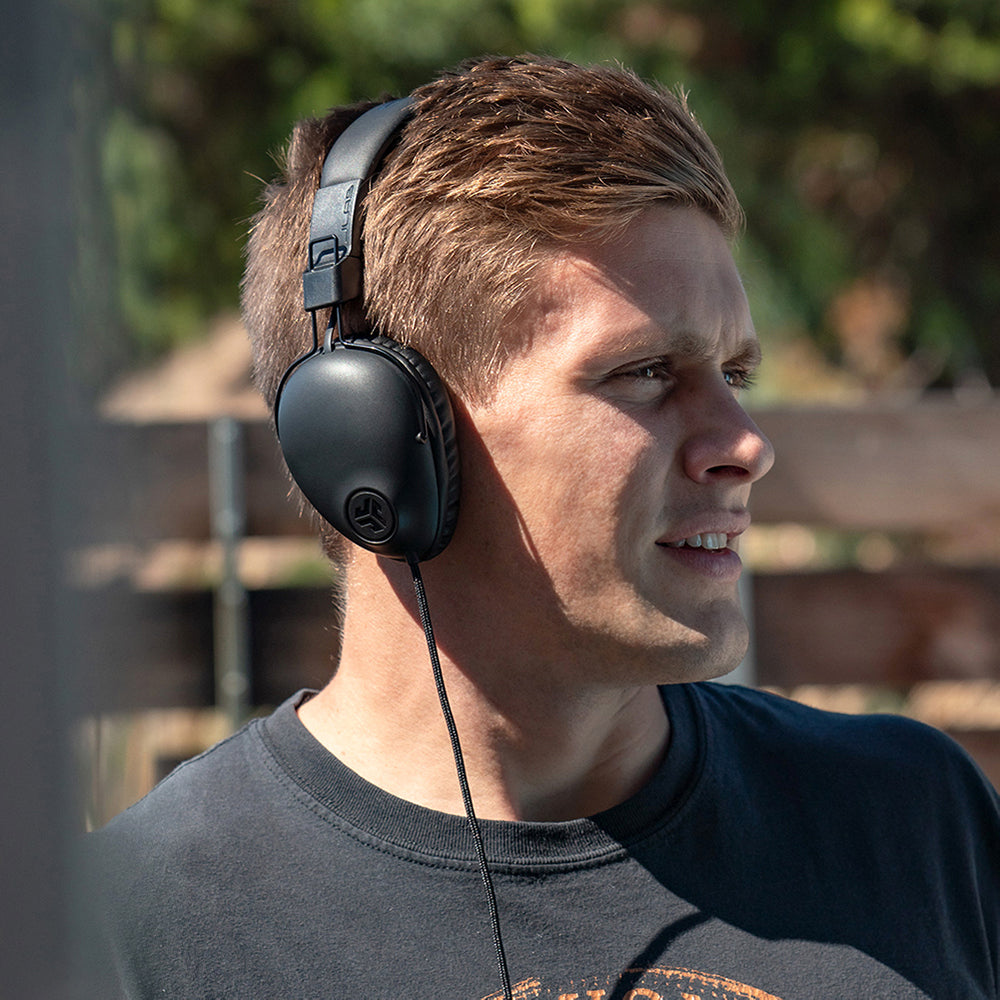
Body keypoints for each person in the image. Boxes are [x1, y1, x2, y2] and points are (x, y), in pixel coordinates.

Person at [91, 55, 999, 999]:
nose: (746, 445)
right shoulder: (133, 930)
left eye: (735, 375)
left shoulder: (916, 824)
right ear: (385, 441)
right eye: (646, 371)